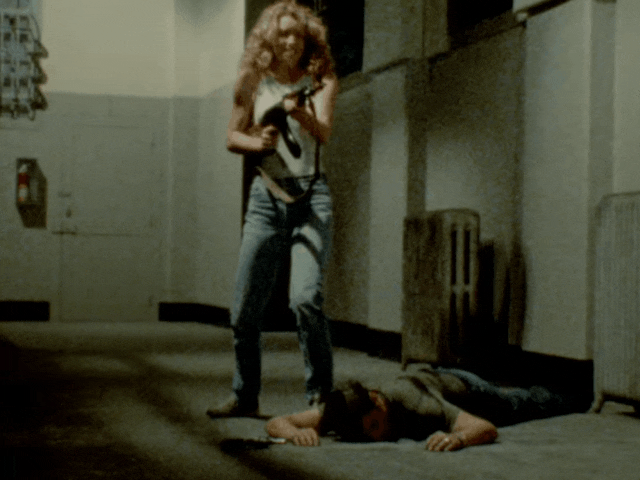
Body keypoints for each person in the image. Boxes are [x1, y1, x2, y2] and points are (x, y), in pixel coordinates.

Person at [207, 0, 339, 418]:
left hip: (311, 198)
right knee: (245, 308)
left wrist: (299, 111)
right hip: (266, 198)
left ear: (308, 40)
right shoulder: (253, 81)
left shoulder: (321, 80)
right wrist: (257, 142)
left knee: (305, 299)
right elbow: (232, 136)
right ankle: (244, 395)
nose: (290, 41)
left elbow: (323, 132)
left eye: (297, 34)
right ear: (269, 38)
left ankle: (321, 399)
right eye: (282, 33)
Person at [264, 364, 593, 451]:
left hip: (468, 389)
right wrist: (294, 434)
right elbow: (277, 422)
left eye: (376, 426)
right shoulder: (346, 408)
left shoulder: (415, 402)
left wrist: (458, 438)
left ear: (378, 401)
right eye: (367, 433)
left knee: (525, 403)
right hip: (430, 376)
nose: (376, 437)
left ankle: (585, 390)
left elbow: (484, 427)